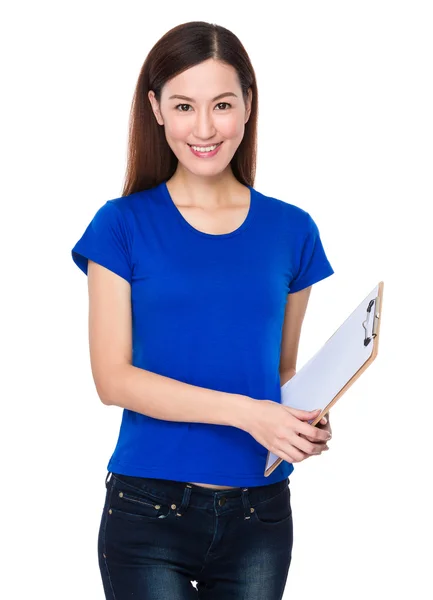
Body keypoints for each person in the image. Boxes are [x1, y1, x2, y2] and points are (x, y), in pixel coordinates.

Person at [71, 20, 334, 600]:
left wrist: (300, 421)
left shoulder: (293, 231)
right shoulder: (120, 226)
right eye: (185, 105)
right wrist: (249, 414)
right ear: (156, 108)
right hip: (148, 512)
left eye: (222, 104)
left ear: (248, 105)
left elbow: (281, 367)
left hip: (259, 516)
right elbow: (112, 380)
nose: (206, 127)